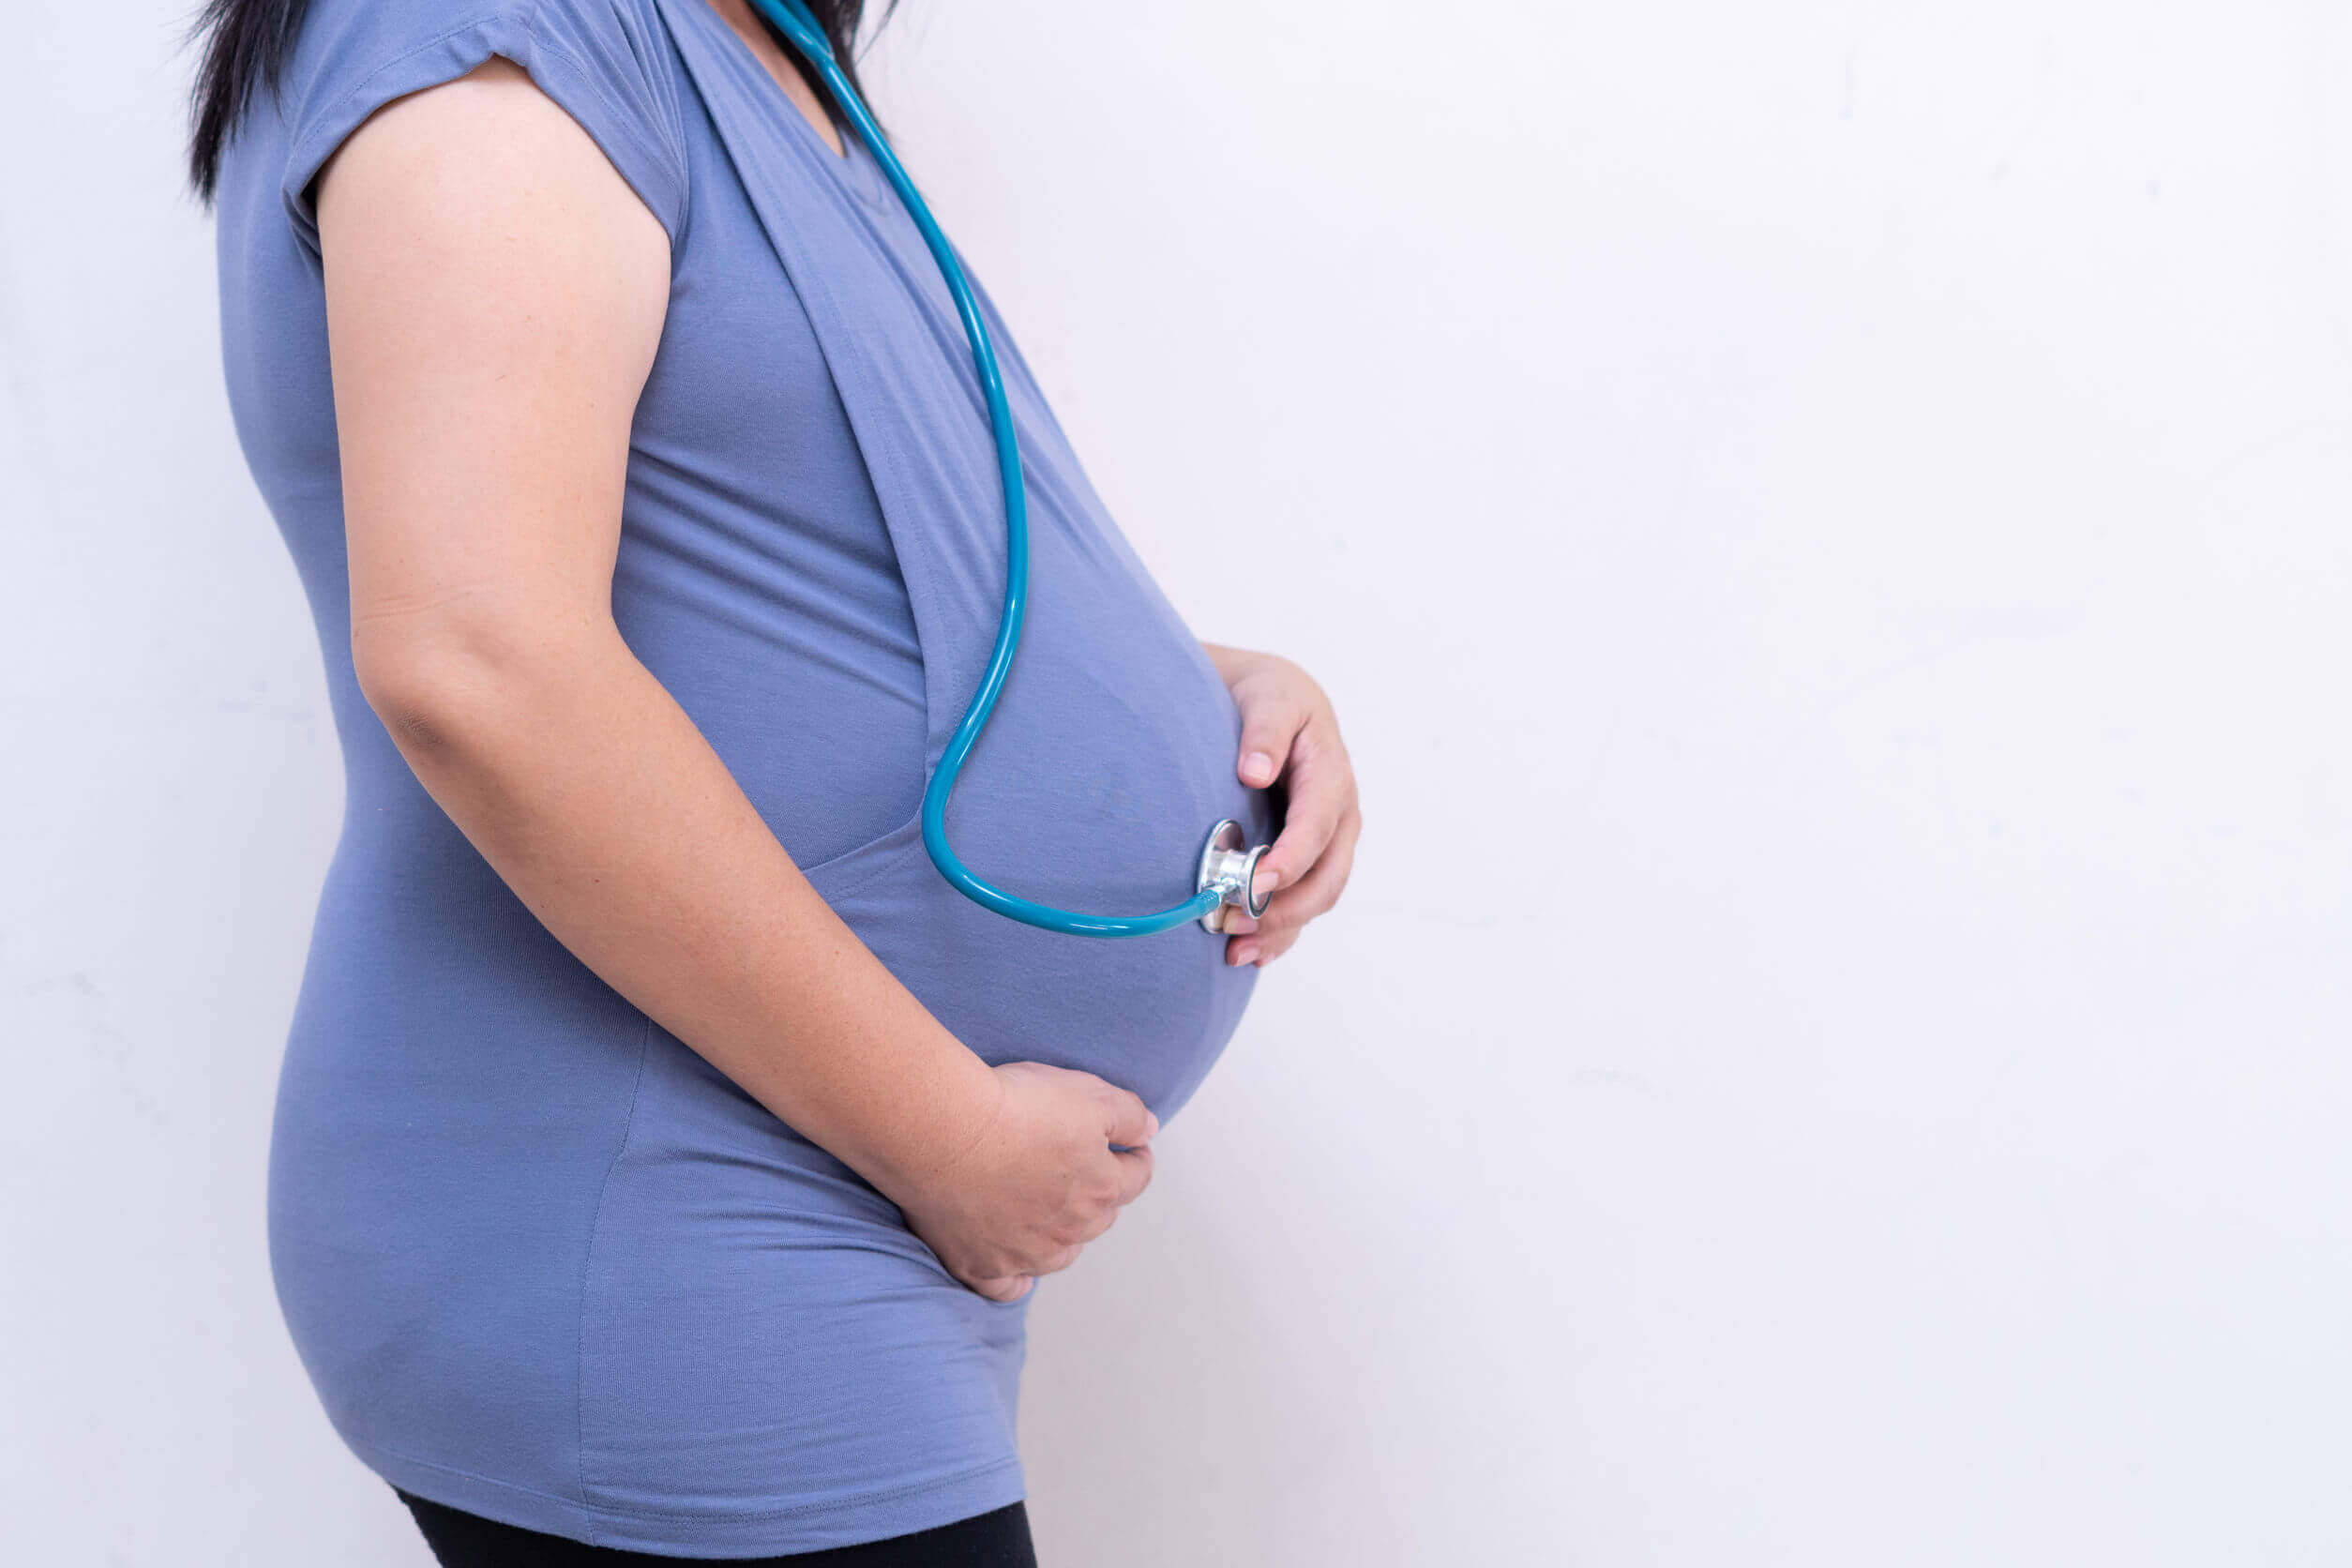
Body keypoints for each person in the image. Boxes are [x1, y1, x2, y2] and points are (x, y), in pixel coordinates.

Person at [186, 0, 1362, 1561]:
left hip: (788, 1187)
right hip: (648, 1196)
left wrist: (1202, 696)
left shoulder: (746, 43)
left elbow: (769, 555)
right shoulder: (489, 31)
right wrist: (946, 1140)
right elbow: (479, 662)